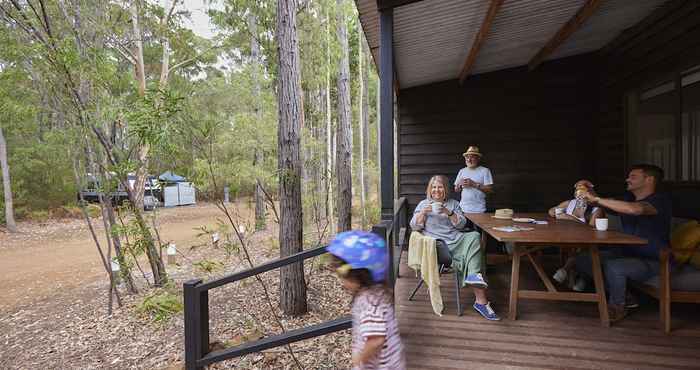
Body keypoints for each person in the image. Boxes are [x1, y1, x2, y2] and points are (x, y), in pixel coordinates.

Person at [574, 164, 672, 322]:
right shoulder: (628, 199)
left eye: (633, 176)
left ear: (649, 179)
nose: (627, 179)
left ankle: (617, 307)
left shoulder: (660, 200)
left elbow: (636, 210)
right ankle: (627, 297)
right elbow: (599, 203)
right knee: (584, 259)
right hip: (626, 254)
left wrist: (597, 199)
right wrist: (588, 190)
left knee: (615, 266)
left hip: (654, 260)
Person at [410, 175, 500, 320]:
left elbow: (461, 225)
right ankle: (481, 301)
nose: (436, 190)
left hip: (456, 241)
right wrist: (422, 214)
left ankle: (473, 277)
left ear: (445, 189)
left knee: (474, 236)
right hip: (438, 247)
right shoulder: (423, 205)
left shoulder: (454, 204)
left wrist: (449, 212)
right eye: (433, 187)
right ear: (429, 189)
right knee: (473, 257)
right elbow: (414, 226)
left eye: (440, 187)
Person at [327, 230, 406, 370]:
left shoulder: (369, 302)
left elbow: (376, 340)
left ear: (360, 274)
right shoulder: (378, 291)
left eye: (341, 274)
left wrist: (359, 358)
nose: (340, 280)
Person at [548, 182, 605, 290]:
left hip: (587, 241)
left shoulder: (596, 210)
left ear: (590, 193)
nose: (579, 193)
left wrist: (570, 218)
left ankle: (567, 271)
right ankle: (579, 277)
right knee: (572, 247)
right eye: (577, 190)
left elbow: (592, 231)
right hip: (567, 236)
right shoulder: (570, 203)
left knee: (582, 248)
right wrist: (555, 213)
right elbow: (551, 211)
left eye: (583, 190)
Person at [454, 146, 494, 214]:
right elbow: (456, 189)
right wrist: (459, 185)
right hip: (463, 209)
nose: (469, 160)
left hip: (479, 210)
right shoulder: (462, 171)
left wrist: (474, 184)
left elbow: (490, 190)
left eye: (472, 157)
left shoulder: (485, 171)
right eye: (467, 157)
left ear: (478, 158)